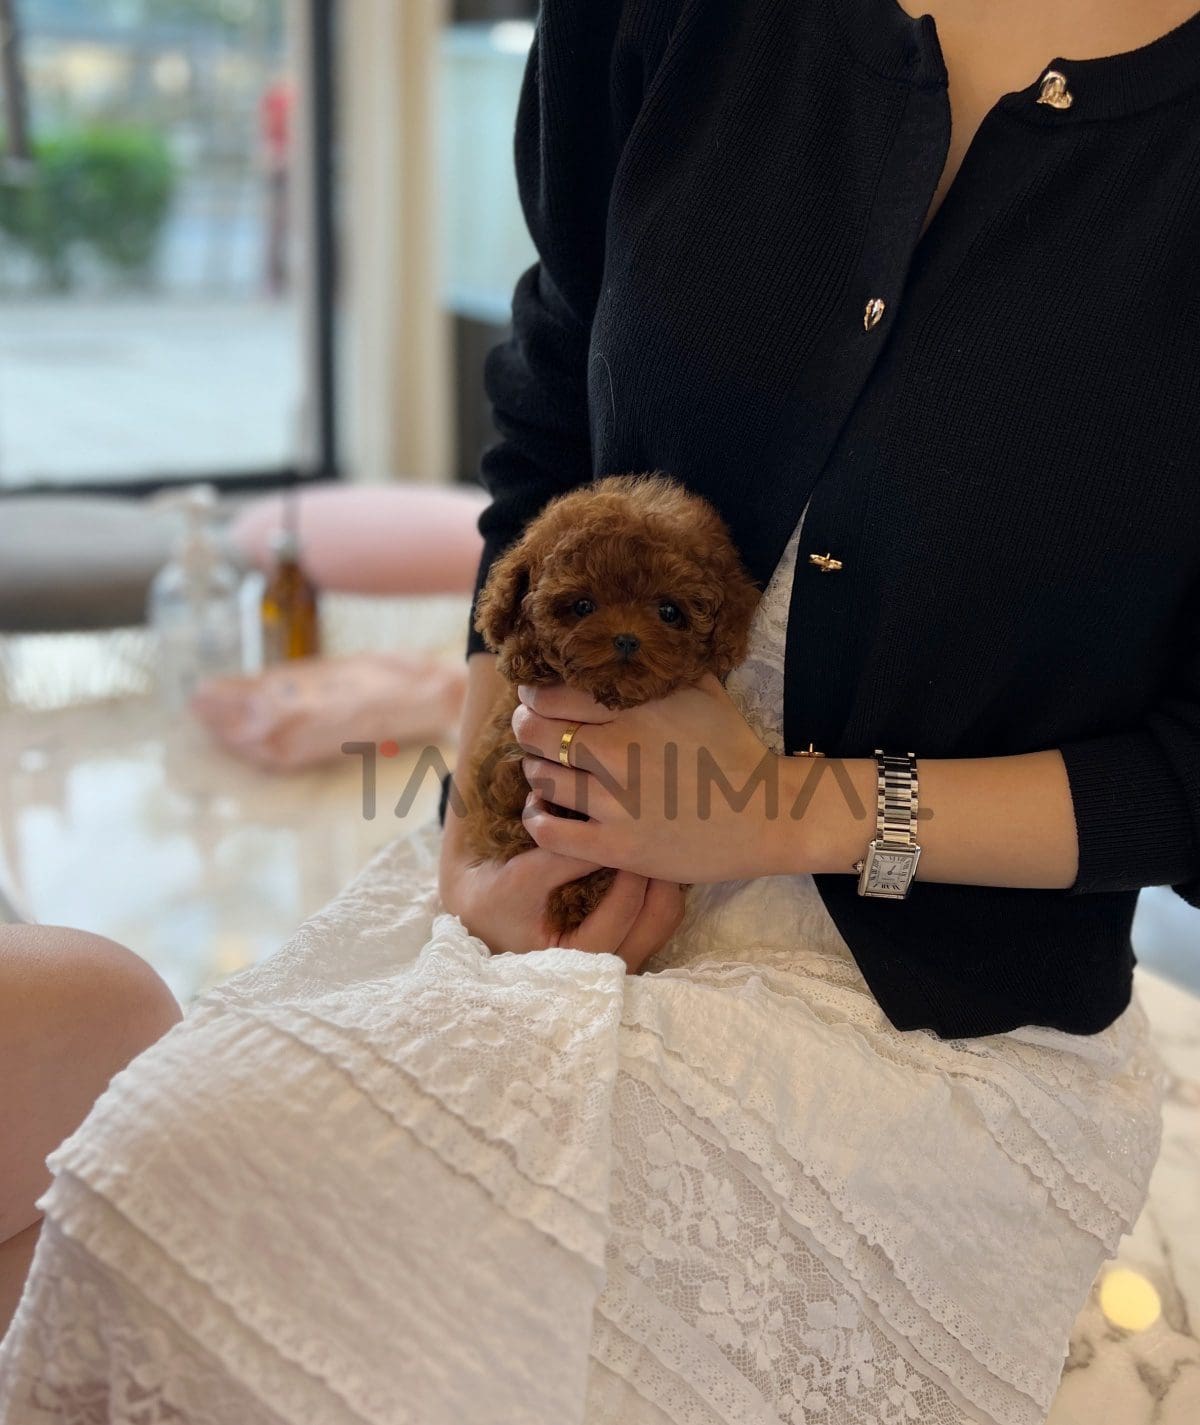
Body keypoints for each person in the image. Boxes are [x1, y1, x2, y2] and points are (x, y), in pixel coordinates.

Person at [2, 0, 1196, 1419]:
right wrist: (470, 845)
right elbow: (555, 402)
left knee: (182, 1203)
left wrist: (777, 812)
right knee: (128, 1167)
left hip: (941, 1035)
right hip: (554, 874)